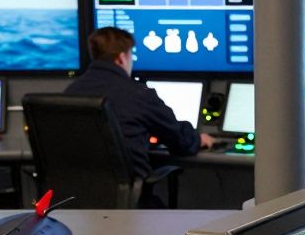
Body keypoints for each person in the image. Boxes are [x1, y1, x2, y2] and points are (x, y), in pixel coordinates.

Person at [64, 26, 212, 179]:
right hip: (128, 197)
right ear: (121, 58)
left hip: (77, 195)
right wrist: (199, 139)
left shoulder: (71, 91)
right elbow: (180, 141)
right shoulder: (138, 94)